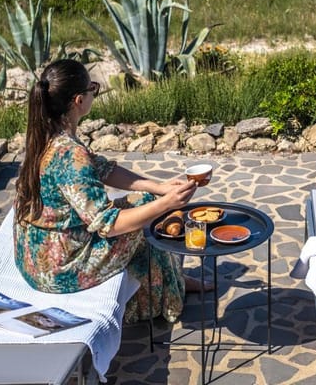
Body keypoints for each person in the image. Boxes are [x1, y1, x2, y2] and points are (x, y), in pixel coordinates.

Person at [13, 59, 206, 323]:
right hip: (61, 270)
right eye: (93, 88)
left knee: (147, 201)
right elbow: (108, 225)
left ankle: (168, 281)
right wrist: (167, 203)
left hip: (34, 258)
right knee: (146, 217)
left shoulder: (45, 135)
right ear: (79, 101)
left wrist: (158, 187)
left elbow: (102, 168)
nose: (95, 92)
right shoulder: (69, 154)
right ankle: (167, 297)